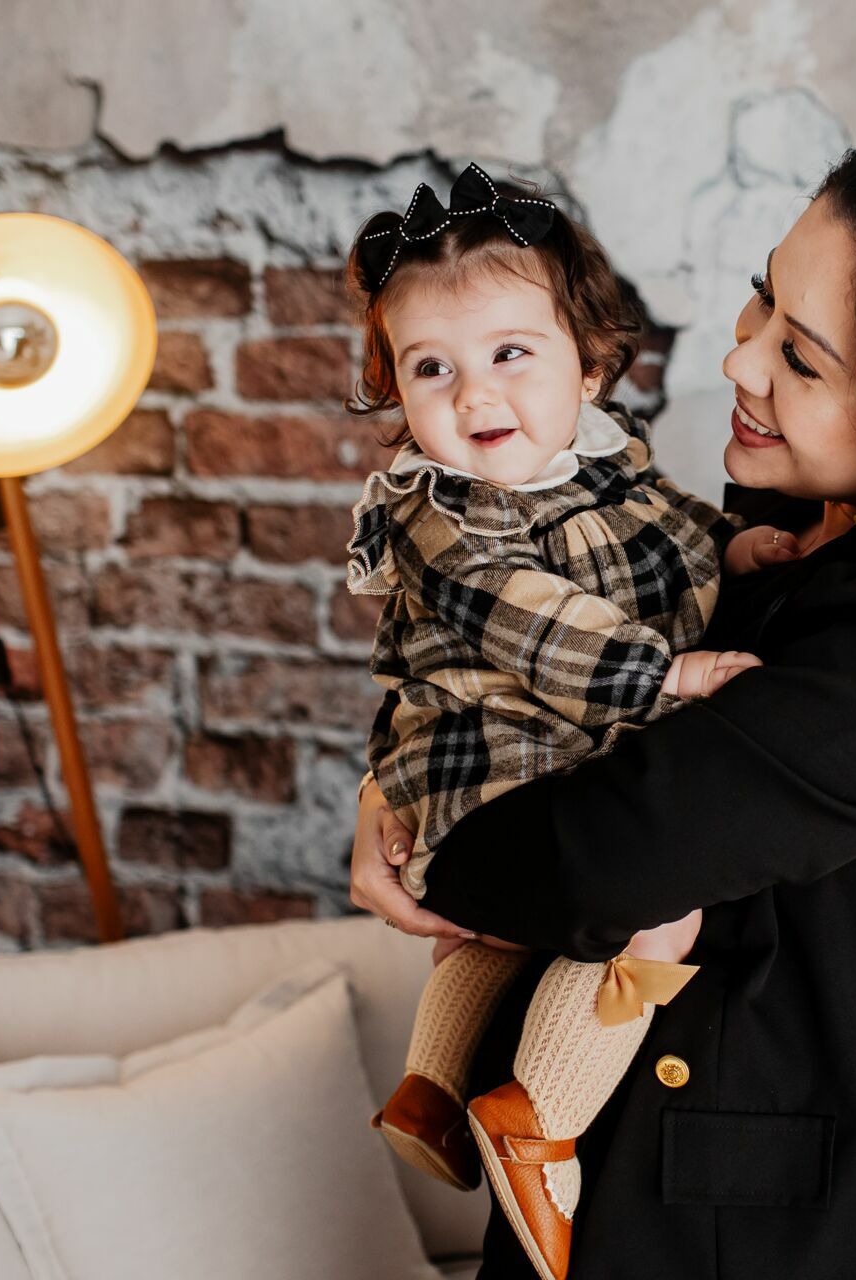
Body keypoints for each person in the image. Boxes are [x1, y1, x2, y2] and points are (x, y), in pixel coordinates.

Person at [354, 143, 856, 1280]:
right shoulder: (752, 547)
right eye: (763, 296)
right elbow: (490, 665)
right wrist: (390, 784)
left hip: (771, 1241)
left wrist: (432, 839)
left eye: (799, 354)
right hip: (598, 1209)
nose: (740, 357)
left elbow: (598, 854)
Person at [340, 163, 798, 1280]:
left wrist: (734, 549)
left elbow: (670, 530)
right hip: (495, 760)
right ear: (396, 391)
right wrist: (673, 679)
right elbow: (536, 626)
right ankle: (536, 1116)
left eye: (510, 353)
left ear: (588, 366)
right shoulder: (439, 512)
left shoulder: (601, 466)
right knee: (659, 916)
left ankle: (435, 1087)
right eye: (430, 368)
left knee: (500, 930)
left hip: (527, 770)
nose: (472, 394)